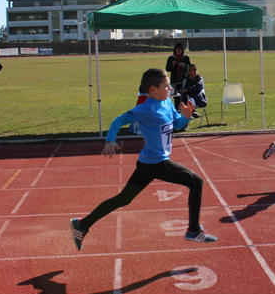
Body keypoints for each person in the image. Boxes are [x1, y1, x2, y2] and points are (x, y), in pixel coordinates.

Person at [70, 68, 216, 251]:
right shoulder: (145, 108)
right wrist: (110, 139)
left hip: (146, 164)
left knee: (123, 199)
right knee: (197, 182)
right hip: (157, 163)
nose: (170, 88)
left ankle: (82, 225)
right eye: (166, 86)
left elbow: (176, 125)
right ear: (153, 89)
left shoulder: (168, 103)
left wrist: (186, 117)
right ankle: (193, 230)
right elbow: (118, 121)